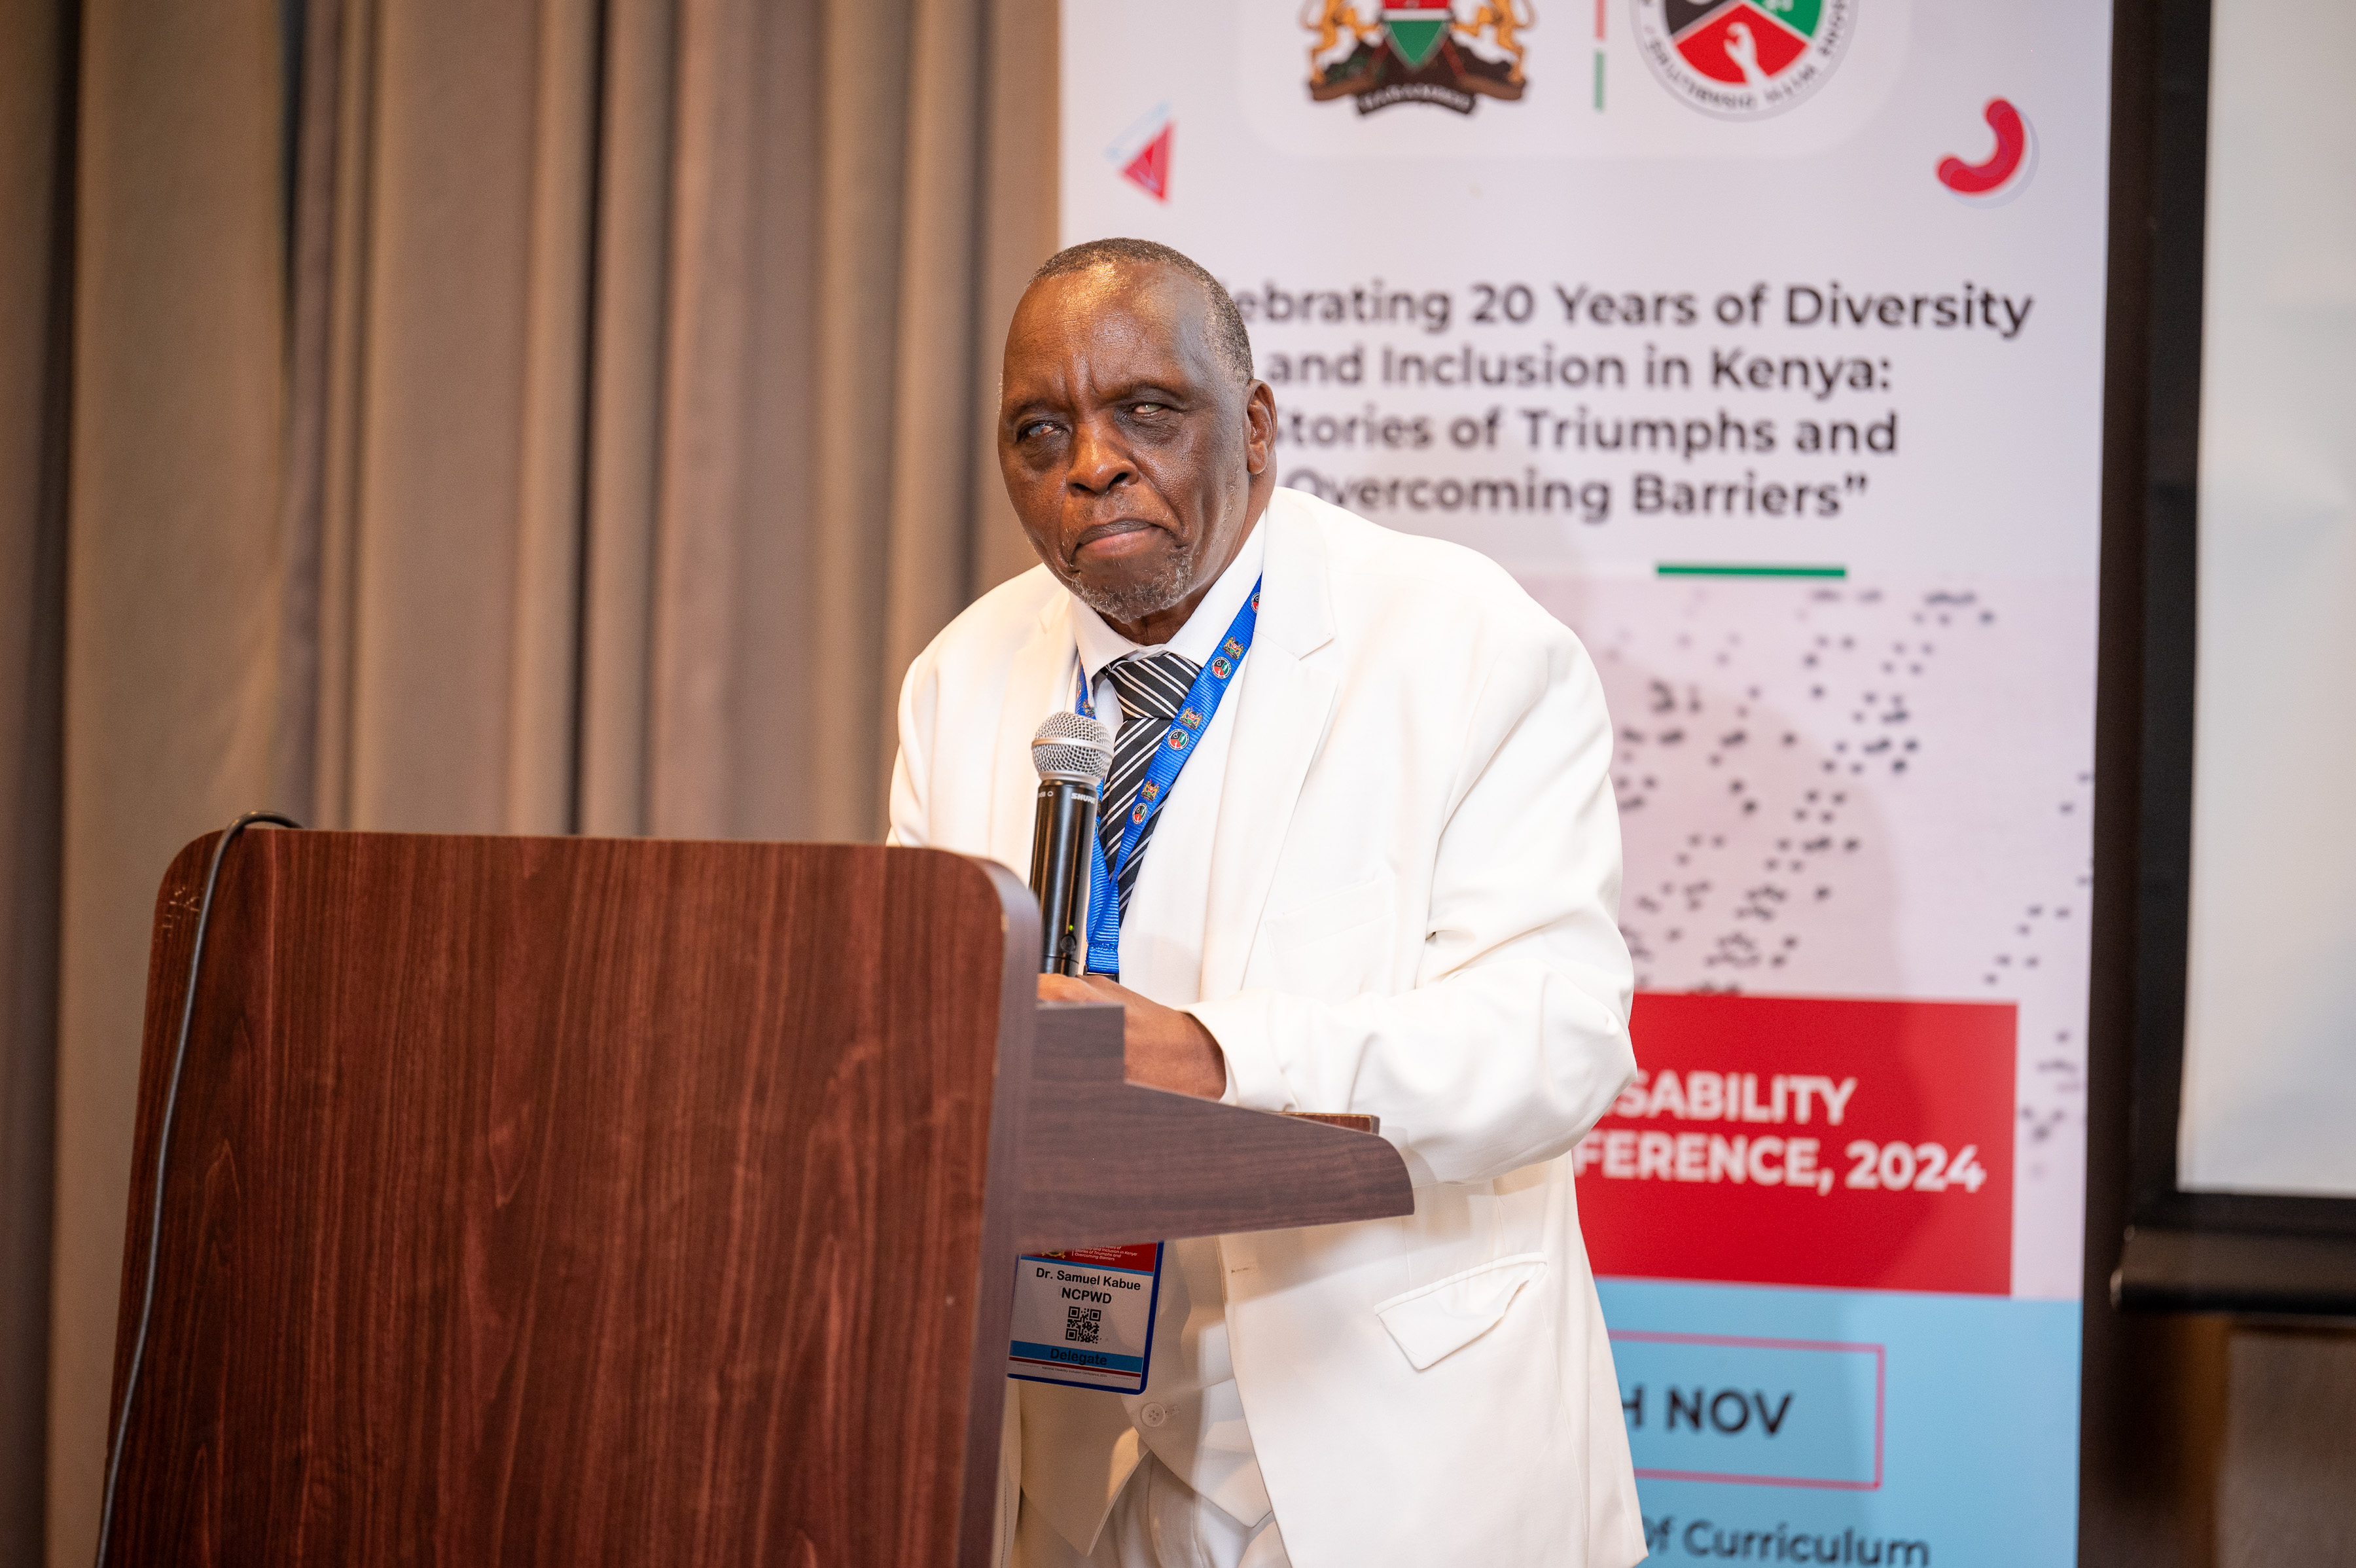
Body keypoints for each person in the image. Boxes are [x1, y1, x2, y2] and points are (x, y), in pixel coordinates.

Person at [888, 237, 1643, 1568]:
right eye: (1040, 430)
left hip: (1391, 1453)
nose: (1093, 463)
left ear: (1254, 426)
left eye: (1147, 411)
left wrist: (1211, 1054)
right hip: (1069, 1455)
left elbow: (1556, 1043)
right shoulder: (961, 676)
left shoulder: (1464, 642)